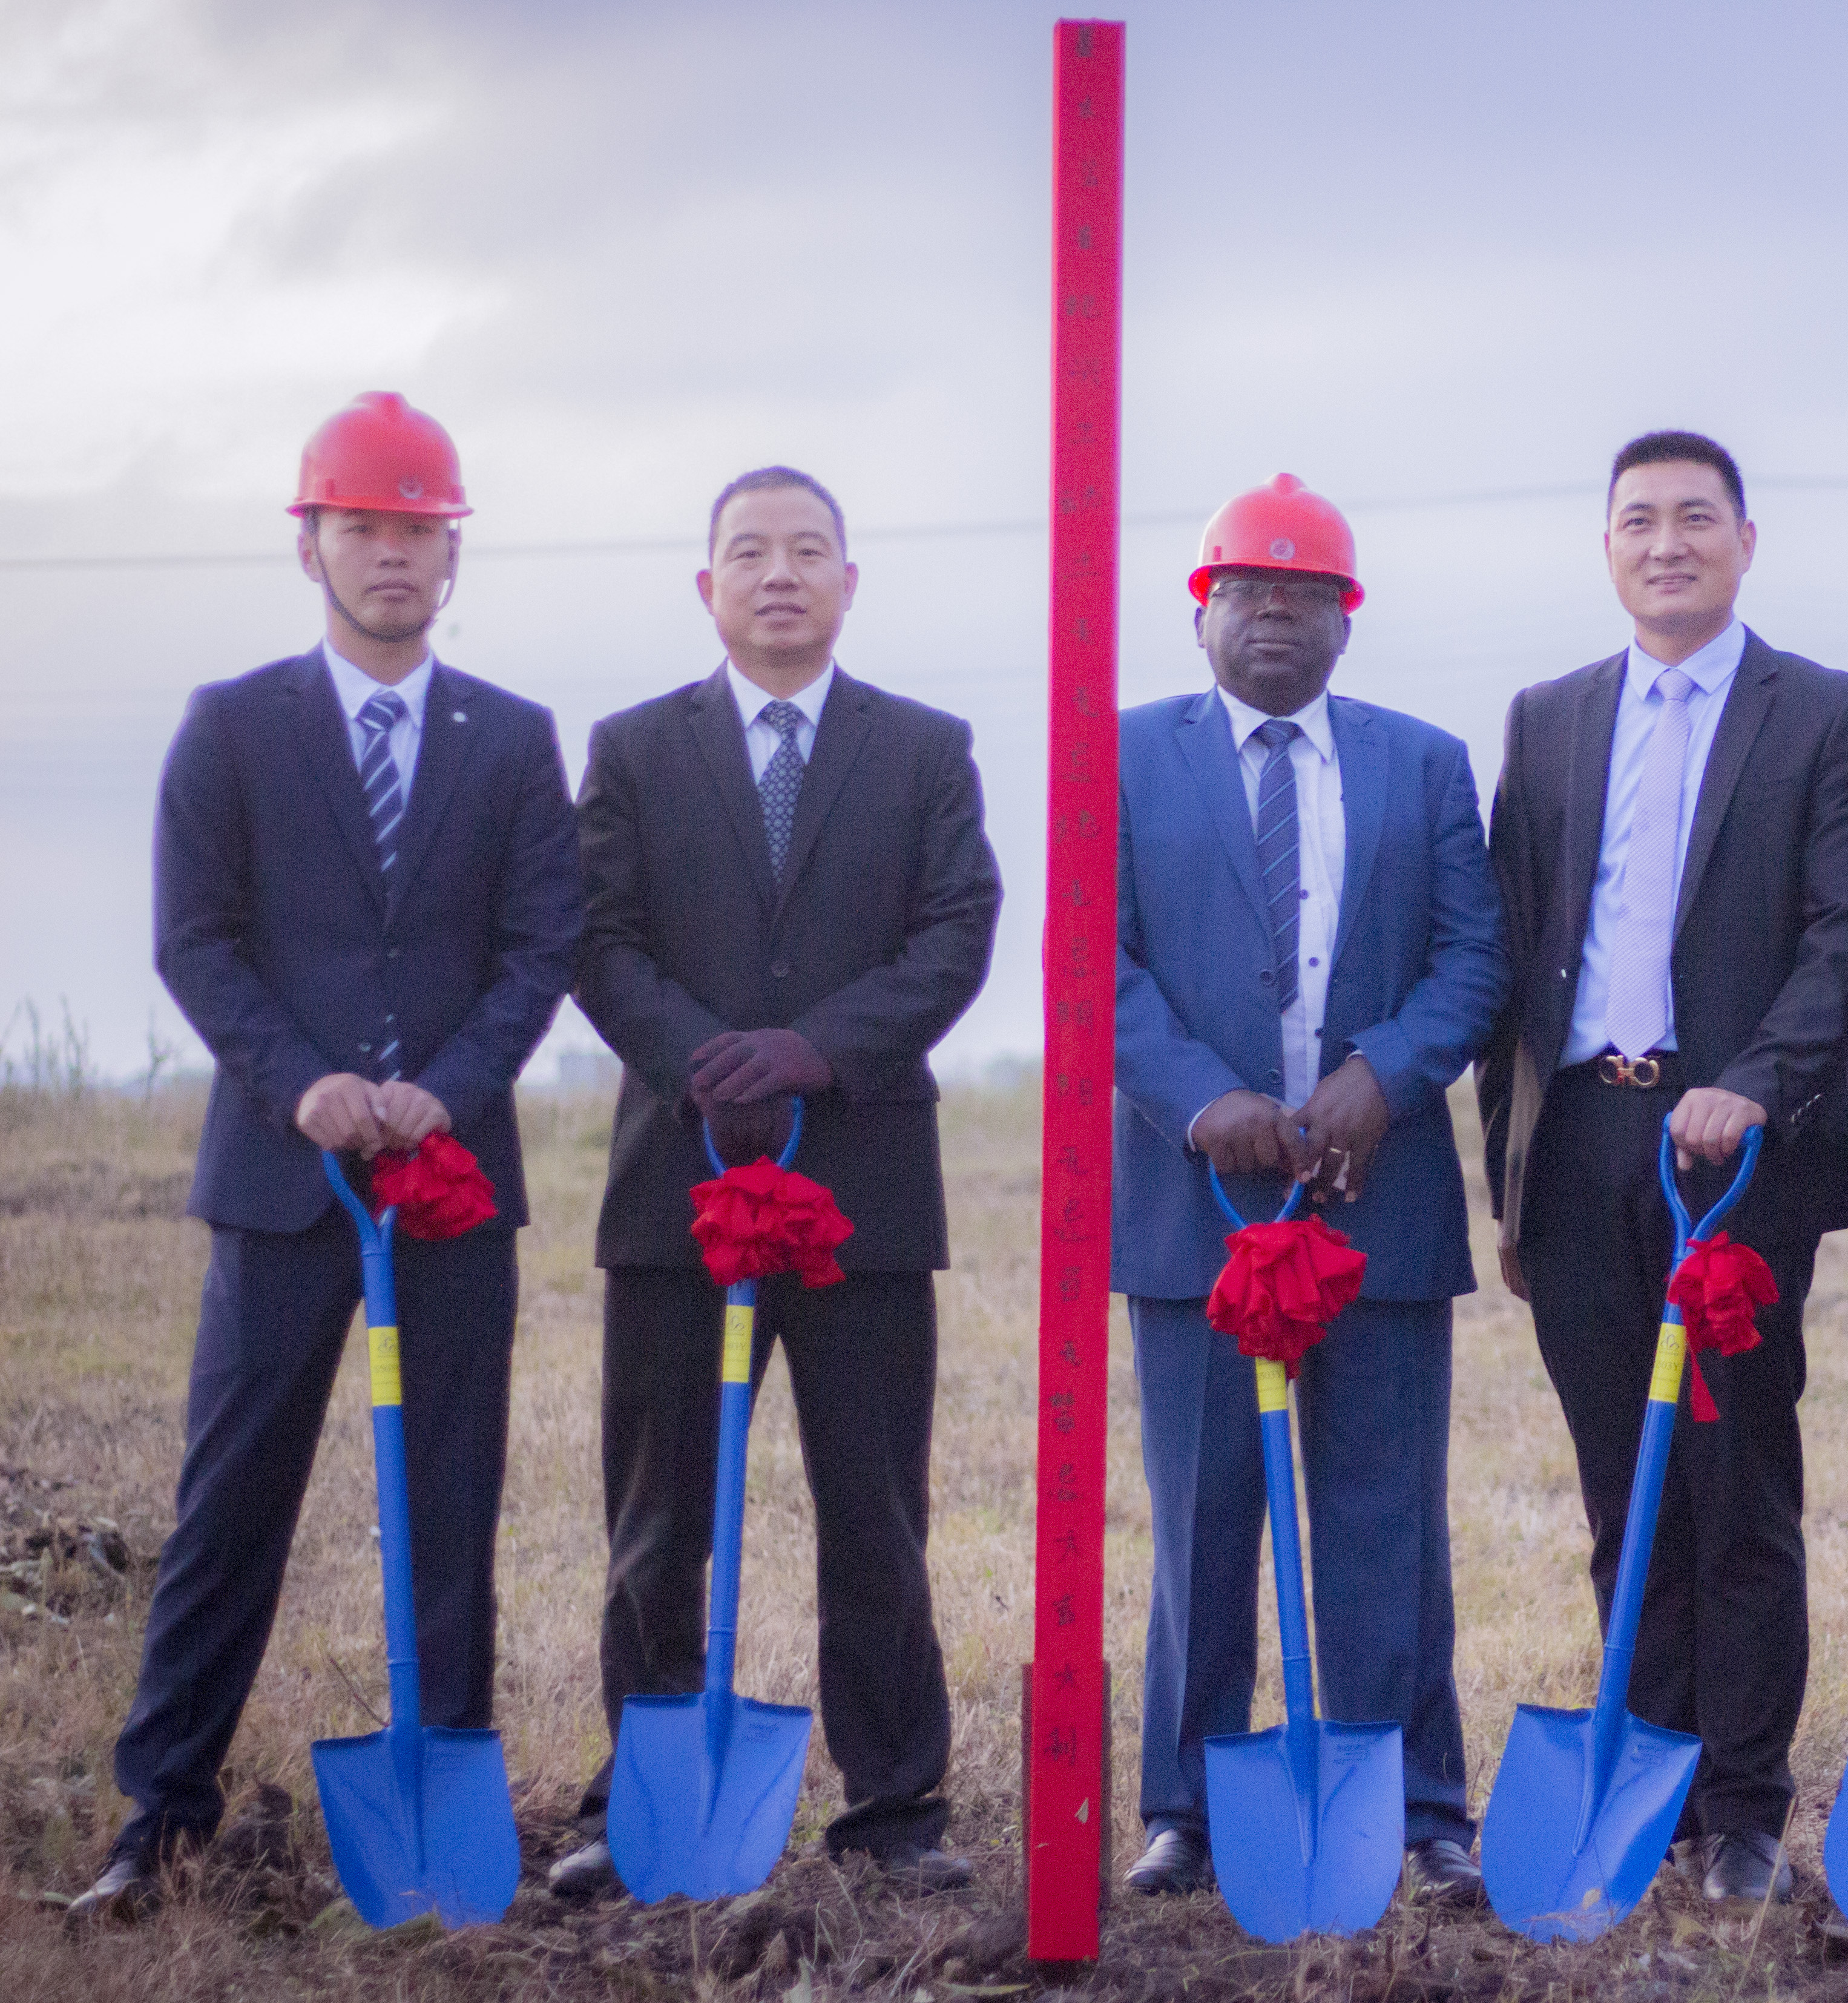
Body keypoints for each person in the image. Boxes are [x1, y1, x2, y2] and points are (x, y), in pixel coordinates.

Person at [76, 393, 580, 1923]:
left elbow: (539, 939)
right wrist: (299, 1085)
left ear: (451, 558)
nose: (392, 556)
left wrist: (451, 1086)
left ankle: (440, 1797)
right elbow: (196, 939)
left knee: (450, 1494)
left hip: (449, 1181)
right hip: (282, 1186)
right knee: (231, 1501)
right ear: (310, 544)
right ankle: (158, 1821)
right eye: (362, 527)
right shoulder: (231, 728)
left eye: (420, 532)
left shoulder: (511, 739)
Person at [550, 465, 1001, 1897]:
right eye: (749, 553)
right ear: (707, 588)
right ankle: (650, 1797)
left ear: (851, 583)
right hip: (674, 1185)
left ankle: (894, 1809)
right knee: (660, 1508)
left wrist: (813, 1053)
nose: (781, 574)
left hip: (860, 1178)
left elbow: (957, 931)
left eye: (810, 551)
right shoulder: (631, 751)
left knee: (873, 1505)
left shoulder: (926, 750)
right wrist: (708, 1063)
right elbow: (599, 940)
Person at [1479, 430, 1848, 1903]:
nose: (1667, 543)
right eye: (1639, 521)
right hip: (1586, 1139)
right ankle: (1640, 1781)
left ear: (1745, 541)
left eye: (1696, 519)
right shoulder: (1546, 721)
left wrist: (1754, 1086)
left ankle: (1743, 1814)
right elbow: (1516, 969)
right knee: (1627, 1489)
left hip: (1733, 1149)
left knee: (1735, 1477)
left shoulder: (1827, 717)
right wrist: (1512, 1186)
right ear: (1606, 547)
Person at [1109, 476, 1507, 1907]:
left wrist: (1383, 1078)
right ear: (1201, 609)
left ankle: (1411, 1803)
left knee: (1385, 1512)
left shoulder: (1424, 765)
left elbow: (1476, 959)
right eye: (1247, 590)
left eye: (1306, 593)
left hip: (1374, 1201)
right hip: (1194, 1205)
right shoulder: (1127, 757)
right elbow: (1100, 963)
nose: (1274, 612)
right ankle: (1192, 1808)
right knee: (1204, 1513)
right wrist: (1206, 1104)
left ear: (1349, 619)